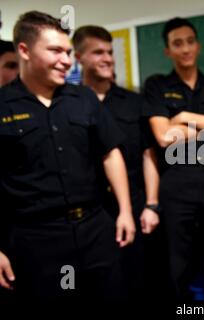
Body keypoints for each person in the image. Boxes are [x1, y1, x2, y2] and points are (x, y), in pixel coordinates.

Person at [0, 11, 135, 299]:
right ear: (24, 50)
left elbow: (110, 154)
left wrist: (124, 211)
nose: (66, 60)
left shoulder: (83, 98)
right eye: (55, 51)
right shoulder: (3, 106)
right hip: (36, 239)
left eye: (68, 52)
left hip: (96, 229)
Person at [143, 17, 204, 300]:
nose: (185, 48)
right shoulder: (157, 86)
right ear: (168, 51)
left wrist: (186, 119)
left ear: (198, 46)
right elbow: (164, 137)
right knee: (179, 264)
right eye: (177, 43)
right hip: (176, 187)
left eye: (189, 41)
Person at [72, 25, 160, 297]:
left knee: (136, 283)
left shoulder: (133, 102)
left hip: (133, 205)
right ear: (78, 58)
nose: (107, 58)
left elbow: (149, 154)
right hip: (90, 209)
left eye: (110, 52)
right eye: (98, 52)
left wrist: (151, 204)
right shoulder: (68, 104)